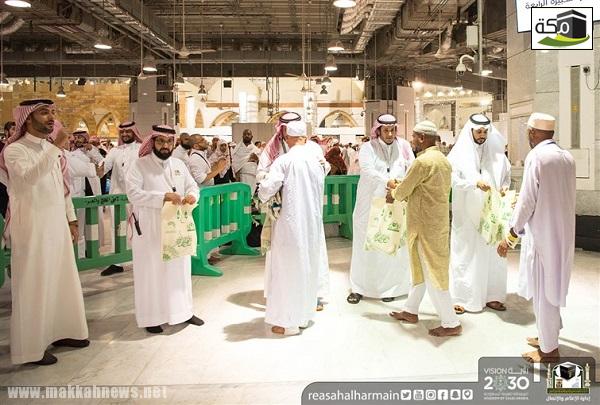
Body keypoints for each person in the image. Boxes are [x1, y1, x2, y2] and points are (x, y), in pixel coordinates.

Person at [1, 100, 88, 365]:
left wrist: (72, 220)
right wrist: (55, 147)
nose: (51, 117)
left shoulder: (51, 150)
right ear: (27, 119)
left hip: (57, 224)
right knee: (34, 284)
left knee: (61, 278)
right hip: (31, 226)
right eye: (43, 112)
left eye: (52, 112)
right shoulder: (14, 150)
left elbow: (63, 189)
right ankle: (30, 349)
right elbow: (28, 178)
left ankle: (62, 331)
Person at [497, 113, 575, 363]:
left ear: (532, 132)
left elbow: (527, 200)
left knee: (544, 290)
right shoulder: (566, 156)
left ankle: (549, 350)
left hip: (543, 235)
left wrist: (511, 234)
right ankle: (547, 335)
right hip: (563, 233)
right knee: (553, 284)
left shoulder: (537, 157)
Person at [126, 125, 204, 334]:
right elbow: (133, 194)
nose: (165, 145)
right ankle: (152, 317)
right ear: (152, 142)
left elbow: (193, 186)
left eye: (169, 141)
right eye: (160, 141)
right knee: (151, 271)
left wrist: (192, 196)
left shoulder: (179, 164)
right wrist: (162, 197)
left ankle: (183, 312)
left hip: (177, 226)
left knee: (180, 270)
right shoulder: (139, 164)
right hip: (150, 227)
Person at [387, 121, 462, 337]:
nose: (411, 140)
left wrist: (393, 191)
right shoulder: (443, 161)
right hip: (437, 223)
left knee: (432, 273)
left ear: (421, 138)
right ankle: (411, 310)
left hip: (423, 225)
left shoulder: (422, 162)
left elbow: (403, 191)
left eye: (413, 136)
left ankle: (451, 322)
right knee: (420, 268)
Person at [258, 121, 327, 335]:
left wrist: (262, 188)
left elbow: (267, 189)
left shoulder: (284, 161)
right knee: (307, 267)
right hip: (312, 225)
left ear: (287, 138)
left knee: (287, 270)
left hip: (289, 225)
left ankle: (288, 323)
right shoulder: (317, 162)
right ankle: (304, 316)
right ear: (304, 138)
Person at [347, 114, 414, 304]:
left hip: (394, 202)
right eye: (386, 130)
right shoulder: (368, 148)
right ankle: (359, 288)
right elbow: (368, 170)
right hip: (369, 204)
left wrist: (400, 186)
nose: (390, 134)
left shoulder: (404, 146)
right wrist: (388, 182)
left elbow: (411, 168)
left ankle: (390, 287)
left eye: (392, 130)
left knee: (391, 244)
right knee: (365, 246)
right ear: (378, 130)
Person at [448, 114, 512, 314]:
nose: (482, 135)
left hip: (491, 213)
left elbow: (506, 177)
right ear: (471, 131)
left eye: (485, 131)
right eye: (478, 132)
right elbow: (451, 179)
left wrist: (504, 187)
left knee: (493, 253)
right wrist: (473, 183)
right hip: (466, 213)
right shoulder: (458, 154)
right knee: (466, 253)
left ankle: (493, 296)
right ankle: (462, 297)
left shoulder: (498, 155)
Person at [98, 121, 143, 276]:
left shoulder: (141, 149)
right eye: (122, 132)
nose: (125, 134)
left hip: (138, 195)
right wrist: (97, 166)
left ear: (134, 132)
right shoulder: (114, 151)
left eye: (128, 131)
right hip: (117, 196)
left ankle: (138, 258)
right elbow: (104, 168)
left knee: (138, 227)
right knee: (116, 227)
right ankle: (117, 262)